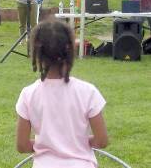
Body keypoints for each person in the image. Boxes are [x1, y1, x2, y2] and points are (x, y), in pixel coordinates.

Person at [15, 20, 108, 168]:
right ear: (70, 50)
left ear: (37, 53)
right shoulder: (87, 91)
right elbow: (102, 141)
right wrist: (80, 144)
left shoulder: (28, 94)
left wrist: (47, 148)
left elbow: (22, 145)